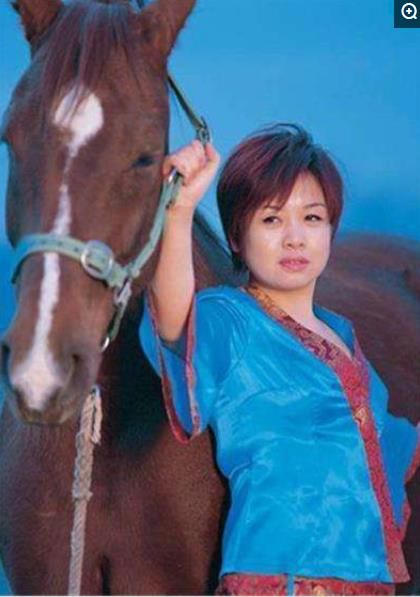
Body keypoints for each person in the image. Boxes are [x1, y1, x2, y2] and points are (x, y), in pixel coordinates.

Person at [139, 124, 420, 596]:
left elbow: (382, 441)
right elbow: (172, 325)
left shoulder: (342, 335)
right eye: (271, 220)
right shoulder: (229, 319)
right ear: (236, 236)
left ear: (330, 229)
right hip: (278, 583)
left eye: (312, 218)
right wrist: (180, 210)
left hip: (366, 584)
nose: (294, 238)